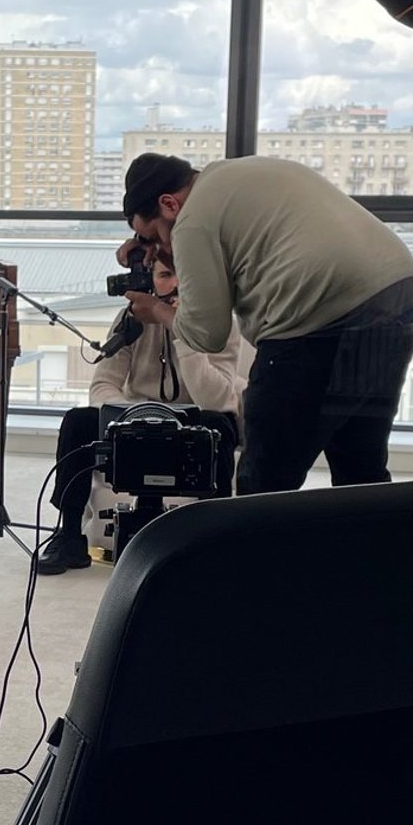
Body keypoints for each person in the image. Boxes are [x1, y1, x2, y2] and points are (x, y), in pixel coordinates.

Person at [123, 149, 413, 497]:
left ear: (169, 203)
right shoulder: (243, 173)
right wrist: (168, 251)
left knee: (263, 483)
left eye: (154, 236)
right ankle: (367, 552)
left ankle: (257, 553)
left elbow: (208, 333)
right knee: (360, 469)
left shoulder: (191, 221)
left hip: (317, 322)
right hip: (396, 298)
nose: (159, 244)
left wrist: (156, 311)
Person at [35, 232, 246, 574]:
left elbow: (219, 399)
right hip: (135, 422)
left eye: (180, 274)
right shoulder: (131, 318)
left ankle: (213, 538)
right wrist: (132, 415)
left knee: (219, 426)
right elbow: (103, 384)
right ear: (151, 281)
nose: (174, 282)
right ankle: (69, 533)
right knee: (77, 421)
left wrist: (175, 326)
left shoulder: (218, 322)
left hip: (195, 424)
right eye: (164, 275)